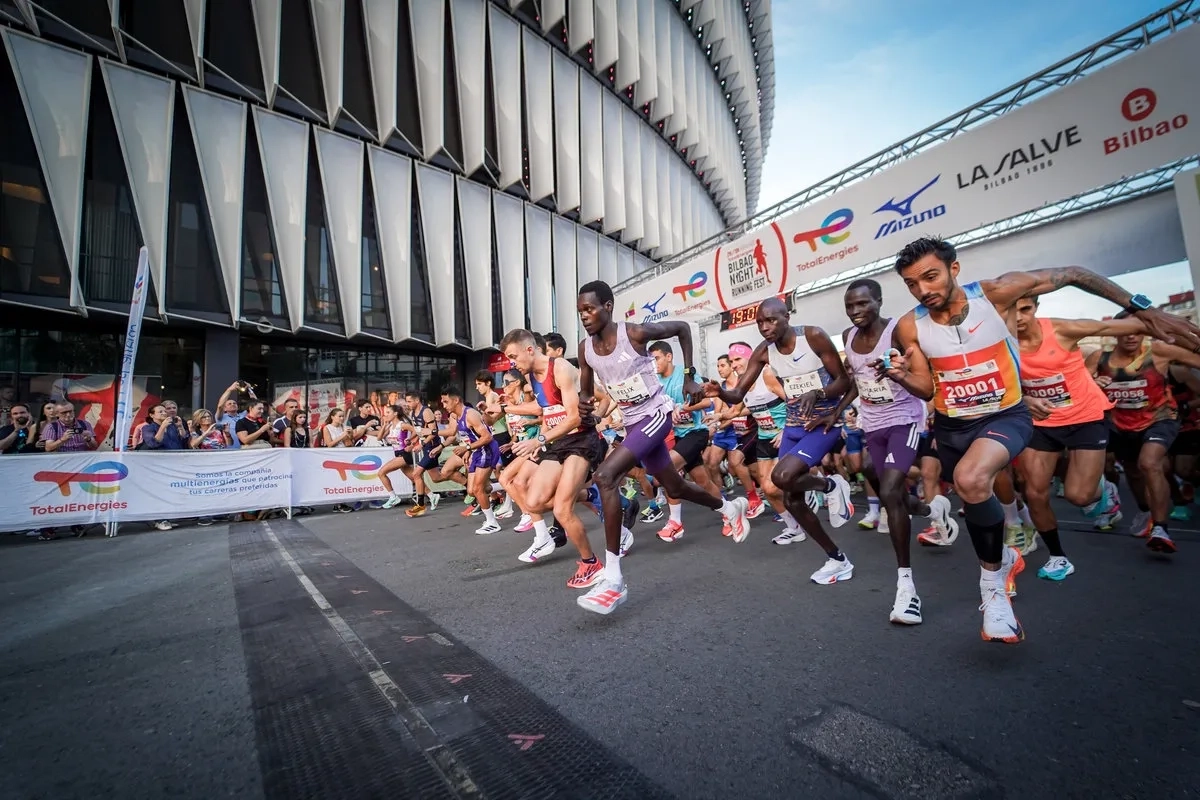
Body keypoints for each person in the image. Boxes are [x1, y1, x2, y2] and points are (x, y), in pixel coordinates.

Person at [882, 235, 1200, 643]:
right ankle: (1008, 556)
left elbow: (1074, 274)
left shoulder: (996, 294)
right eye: (912, 284)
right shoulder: (910, 325)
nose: (923, 290)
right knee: (981, 489)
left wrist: (1145, 309)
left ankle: (993, 592)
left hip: (1006, 415)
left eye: (930, 277)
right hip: (954, 425)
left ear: (953, 269)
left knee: (970, 479)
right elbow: (927, 389)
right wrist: (901, 376)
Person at [577, 280, 751, 615]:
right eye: (580, 311)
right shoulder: (586, 350)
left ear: (608, 306)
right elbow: (586, 393)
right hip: (632, 422)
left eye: (590, 308)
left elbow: (683, 327)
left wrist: (688, 376)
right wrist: (585, 406)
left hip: (656, 415)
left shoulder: (635, 334)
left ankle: (612, 577)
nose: (584, 316)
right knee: (674, 485)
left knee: (605, 477)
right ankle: (729, 508)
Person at [826, 278, 958, 624]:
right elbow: (856, 380)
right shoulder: (848, 338)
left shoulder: (897, 333)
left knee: (888, 491)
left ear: (879, 302)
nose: (856, 312)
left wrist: (897, 375)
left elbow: (925, 388)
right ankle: (932, 511)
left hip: (905, 419)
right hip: (873, 423)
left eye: (863, 304)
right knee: (883, 484)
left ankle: (906, 588)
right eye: (850, 306)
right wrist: (837, 411)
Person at [705, 297, 856, 586]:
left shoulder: (812, 336)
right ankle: (837, 559)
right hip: (794, 425)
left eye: (771, 320)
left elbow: (843, 382)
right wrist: (719, 393)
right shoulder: (763, 352)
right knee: (787, 495)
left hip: (822, 424)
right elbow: (737, 396)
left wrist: (820, 394)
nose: (764, 327)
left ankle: (832, 485)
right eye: (760, 322)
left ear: (787, 316)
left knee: (782, 476)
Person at [1013, 295, 1150, 577]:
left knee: (1078, 495)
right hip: (1041, 423)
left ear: (1036, 308)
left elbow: (1117, 328)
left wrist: (1152, 315)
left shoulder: (1063, 330)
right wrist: (1026, 399)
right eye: (1010, 311)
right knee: (1034, 492)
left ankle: (1106, 491)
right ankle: (1057, 556)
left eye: (1025, 309)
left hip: (1084, 417)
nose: (1018, 318)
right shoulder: (1001, 343)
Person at [501, 329, 613, 580]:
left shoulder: (560, 368)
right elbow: (546, 409)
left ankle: (591, 564)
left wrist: (599, 416)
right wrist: (506, 408)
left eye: (513, 356)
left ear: (530, 349)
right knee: (533, 502)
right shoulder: (531, 376)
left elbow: (577, 415)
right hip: (559, 442)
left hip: (582, 440)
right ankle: (587, 494)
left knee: (562, 509)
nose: (512, 363)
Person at [1085, 321, 1200, 552]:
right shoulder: (1100, 358)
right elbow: (1078, 387)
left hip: (1159, 419)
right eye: (1125, 332)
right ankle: (1145, 510)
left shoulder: (1158, 353)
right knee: (1134, 472)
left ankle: (1160, 528)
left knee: (1149, 462)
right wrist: (1094, 384)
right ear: (1115, 334)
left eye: (1137, 332)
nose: (1131, 337)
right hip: (1121, 424)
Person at [650, 341, 725, 542]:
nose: (653, 363)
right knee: (703, 482)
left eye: (656, 358)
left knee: (667, 471)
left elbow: (707, 401)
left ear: (668, 356)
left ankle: (675, 523)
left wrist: (682, 409)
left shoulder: (686, 377)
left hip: (696, 433)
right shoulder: (655, 381)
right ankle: (730, 510)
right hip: (676, 436)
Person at [439, 386, 502, 535]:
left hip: (486, 450)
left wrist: (467, 448)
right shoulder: (457, 416)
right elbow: (469, 438)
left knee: (479, 489)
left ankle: (492, 523)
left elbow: (487, 437)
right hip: (476, 451)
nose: (443, 404)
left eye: (446, 401)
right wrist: (469, 450)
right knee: (472, 491)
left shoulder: (470, 414)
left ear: (456, 400)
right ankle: (507, 485)